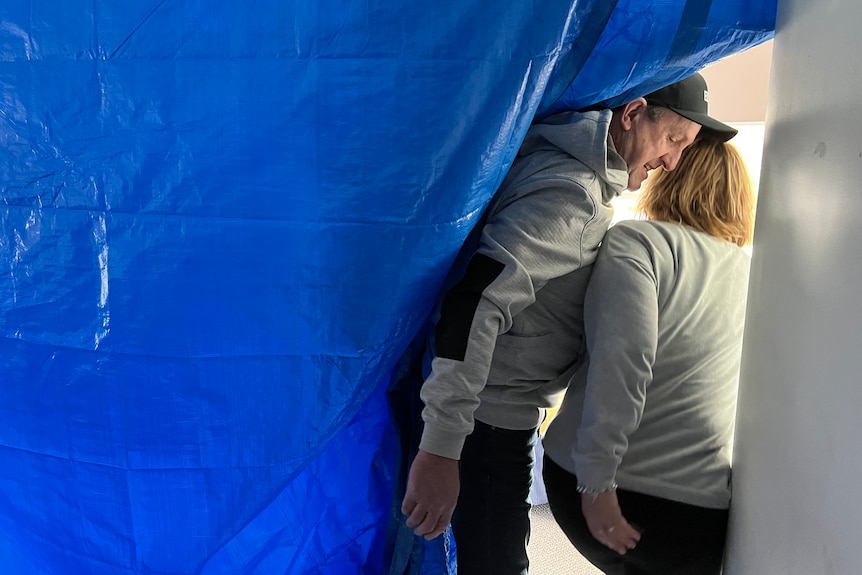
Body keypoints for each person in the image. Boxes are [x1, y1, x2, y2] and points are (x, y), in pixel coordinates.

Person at [399, 72, 737, 575]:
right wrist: (442, 449)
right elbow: (478, 302)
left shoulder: (571, 170)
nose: (672, 161)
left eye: (684, 149)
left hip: (496, 416)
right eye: (672, 140)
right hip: (488, 422)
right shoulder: (572, 196)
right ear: (631, 113)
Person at [541, 136, 756, 575]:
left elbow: (623, 359)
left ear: (670, 180)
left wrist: (597, 482)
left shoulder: (640, 242)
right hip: (696, 518)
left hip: (606, 487)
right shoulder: (753, 274)